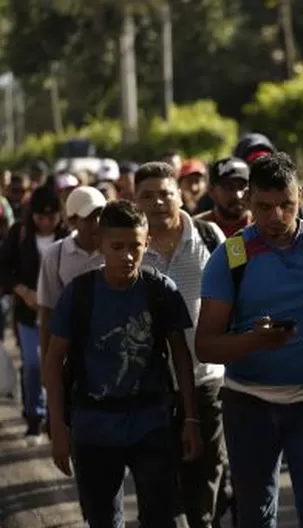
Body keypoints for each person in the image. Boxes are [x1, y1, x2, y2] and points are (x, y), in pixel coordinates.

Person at [196, 152, 303, 527]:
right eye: (265, 207)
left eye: (286, 205)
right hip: (248, 404)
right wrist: (253, 341)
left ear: (300, 195)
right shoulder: (231, 255)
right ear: (249, 200)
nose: (276, 217)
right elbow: (205, 345)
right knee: (254, 515)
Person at [43, 200, 202, 527]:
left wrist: (191, 419)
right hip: (93, 427)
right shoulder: (80, 293)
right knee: (103, 520)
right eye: (117, 246)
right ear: (100, 244)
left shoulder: (160, 290)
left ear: (147, 243)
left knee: (159, 518)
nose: (127, 255)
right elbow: (54, 358)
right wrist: (58, 427)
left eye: (135, 246)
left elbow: (181, 358)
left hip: (152, 423)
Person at [133, 161, 228, 528]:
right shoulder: (129, 248)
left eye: (164, 194)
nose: (157, 202)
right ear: (134, 200)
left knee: (205, 483)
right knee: (157, 492)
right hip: (149, 388)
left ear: (180, 195)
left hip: (206, 380)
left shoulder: (210, 236)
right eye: (147, 196)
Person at [0, 185, 70, 441]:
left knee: (59, 365)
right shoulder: (19, 234)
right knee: (32, 364)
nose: (46, 223)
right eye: (41, 218)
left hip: (61, 315)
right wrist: (22, 291)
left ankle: (57, 417)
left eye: (52, 218)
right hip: (28, 314)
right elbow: (4, 268)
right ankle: (34, 414)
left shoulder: (68, 237)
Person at [38, 187, 108, 381]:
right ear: (72, 221)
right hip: (72, 353)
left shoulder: (116, 250)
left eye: (101, 215)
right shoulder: (56, 255)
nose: (97, 224)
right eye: (89, 218)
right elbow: (47, 313)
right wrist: (48, 367)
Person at [195, 158, 253, 237]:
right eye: (229, 188)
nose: (237, 196)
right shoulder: (195, 229)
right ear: (212, 192)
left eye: (242, 187)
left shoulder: (263, 225)